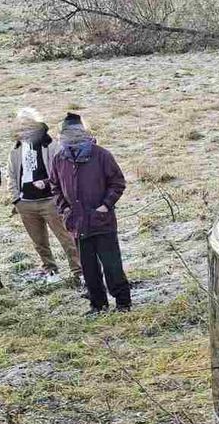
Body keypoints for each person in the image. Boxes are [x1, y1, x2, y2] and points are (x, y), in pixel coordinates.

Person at [49, 113, 130, 315]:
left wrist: (105, 206)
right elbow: (55, 187)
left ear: (82, 132)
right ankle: (98, 305)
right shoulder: (59, 159)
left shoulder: (101, 155)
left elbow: (117, 182)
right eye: (66, 133)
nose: (70, 136)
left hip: (102, 222)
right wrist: (66, 211)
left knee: (112, 266)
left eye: (74, 132)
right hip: (77, 224)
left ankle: (123, 303)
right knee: (89, 269)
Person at [8, 107, 82, 285]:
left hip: (50, 200)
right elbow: (11, 175)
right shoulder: (16, 148)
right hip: (26, 203)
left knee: (66, 238)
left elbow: (61, 171)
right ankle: (51, 271)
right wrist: (16, 199)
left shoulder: (50, 144)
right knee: (39, 242)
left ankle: (78, 272)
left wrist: (47, 183)